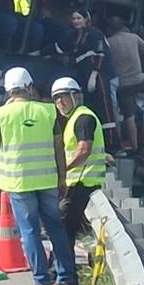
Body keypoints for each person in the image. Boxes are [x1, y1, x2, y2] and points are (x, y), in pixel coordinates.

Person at [0, 67, 78, 285]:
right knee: (56, 228)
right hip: (47, 179)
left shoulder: (3, 114)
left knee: (30, 232)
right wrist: (62, 177)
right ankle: (67, 278)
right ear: (29, 87)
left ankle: (41, 281)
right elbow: (58, 146)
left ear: (8, 91)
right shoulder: (48, 111)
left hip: (19, 183)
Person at [51, 77, 105, 253]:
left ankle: (60, 273)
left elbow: (84, 149)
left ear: (76, 96)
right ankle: (65, 274)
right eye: (56, 98)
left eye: (64, 97)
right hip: (79, 183)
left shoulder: (83, 118)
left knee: (62, 230)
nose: (60, 102)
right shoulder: (75, 118)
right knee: (67, 230)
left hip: (82, 183)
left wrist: (62, 170)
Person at [53, 9, 117, 147]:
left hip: (100, 76)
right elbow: (61, 48)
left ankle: (112, 144)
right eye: (74, 18)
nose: (76, 21)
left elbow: (100, 54)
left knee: (105, 108)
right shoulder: (74, 36)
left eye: (79, 18)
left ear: (86, 19)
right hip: (84, 75)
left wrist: (94, 74)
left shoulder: (95, 34)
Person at [105, 16, 144, 155]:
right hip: (138, 80)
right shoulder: (133, 38)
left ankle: (134, 147)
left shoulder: (108, 42)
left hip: (122, 85)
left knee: (129, 117)